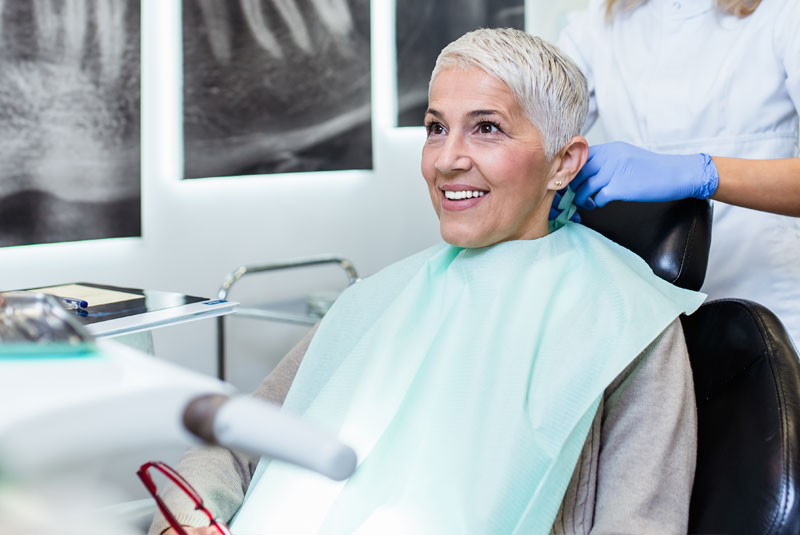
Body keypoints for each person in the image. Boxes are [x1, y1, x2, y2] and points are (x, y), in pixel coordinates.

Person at [149, 28, 704, 535]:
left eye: (487, 128)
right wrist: (187, 514)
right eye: (436, 128)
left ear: (564, 163)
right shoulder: (378, 300)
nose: (447, 159)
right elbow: (239, 440)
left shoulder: (627, 326)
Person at [556, 0, 800, 344]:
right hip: (643, 300)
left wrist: (702, 173)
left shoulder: (784, 13)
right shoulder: (597, 26)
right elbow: (531, 123)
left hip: (765, 297)